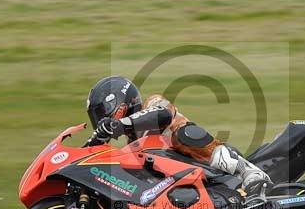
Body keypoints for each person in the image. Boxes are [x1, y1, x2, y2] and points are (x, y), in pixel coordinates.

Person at [85, 76, 271, 199]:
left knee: (184, 134)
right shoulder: (131, 145)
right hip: (192, 183)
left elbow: (163, 114)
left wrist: (121, 124)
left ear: (119, 101)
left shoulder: (153, 103)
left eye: (101, 112)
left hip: (205, 162)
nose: (100, 119)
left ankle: (251, 173)